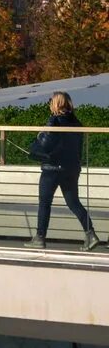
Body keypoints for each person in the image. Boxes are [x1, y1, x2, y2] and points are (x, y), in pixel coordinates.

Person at [26, 92, 103, 251]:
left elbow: (44, 145)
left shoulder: (54, 121)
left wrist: (34, 145)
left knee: (45, 203)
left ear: (56, 103)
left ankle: (40, 238)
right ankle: (91, 234)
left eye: (51, 101)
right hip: (71, 168)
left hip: (52, 169)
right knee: (74, 202)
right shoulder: (76, 123)